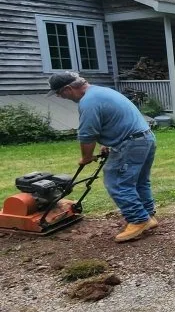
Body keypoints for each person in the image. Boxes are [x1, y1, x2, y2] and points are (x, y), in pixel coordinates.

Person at [49, 72, 158, 242]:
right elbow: (113, 119)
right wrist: (107, 143)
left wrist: (86, 157)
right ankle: (148, 216)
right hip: (145, 138)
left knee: (117, 182)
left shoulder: (88, 102)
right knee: (139, 181)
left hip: (130, 143)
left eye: (59, 93)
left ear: (68, 88)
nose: (59, 96)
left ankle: (138, 219)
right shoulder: (101, 92)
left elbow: (87, 135)